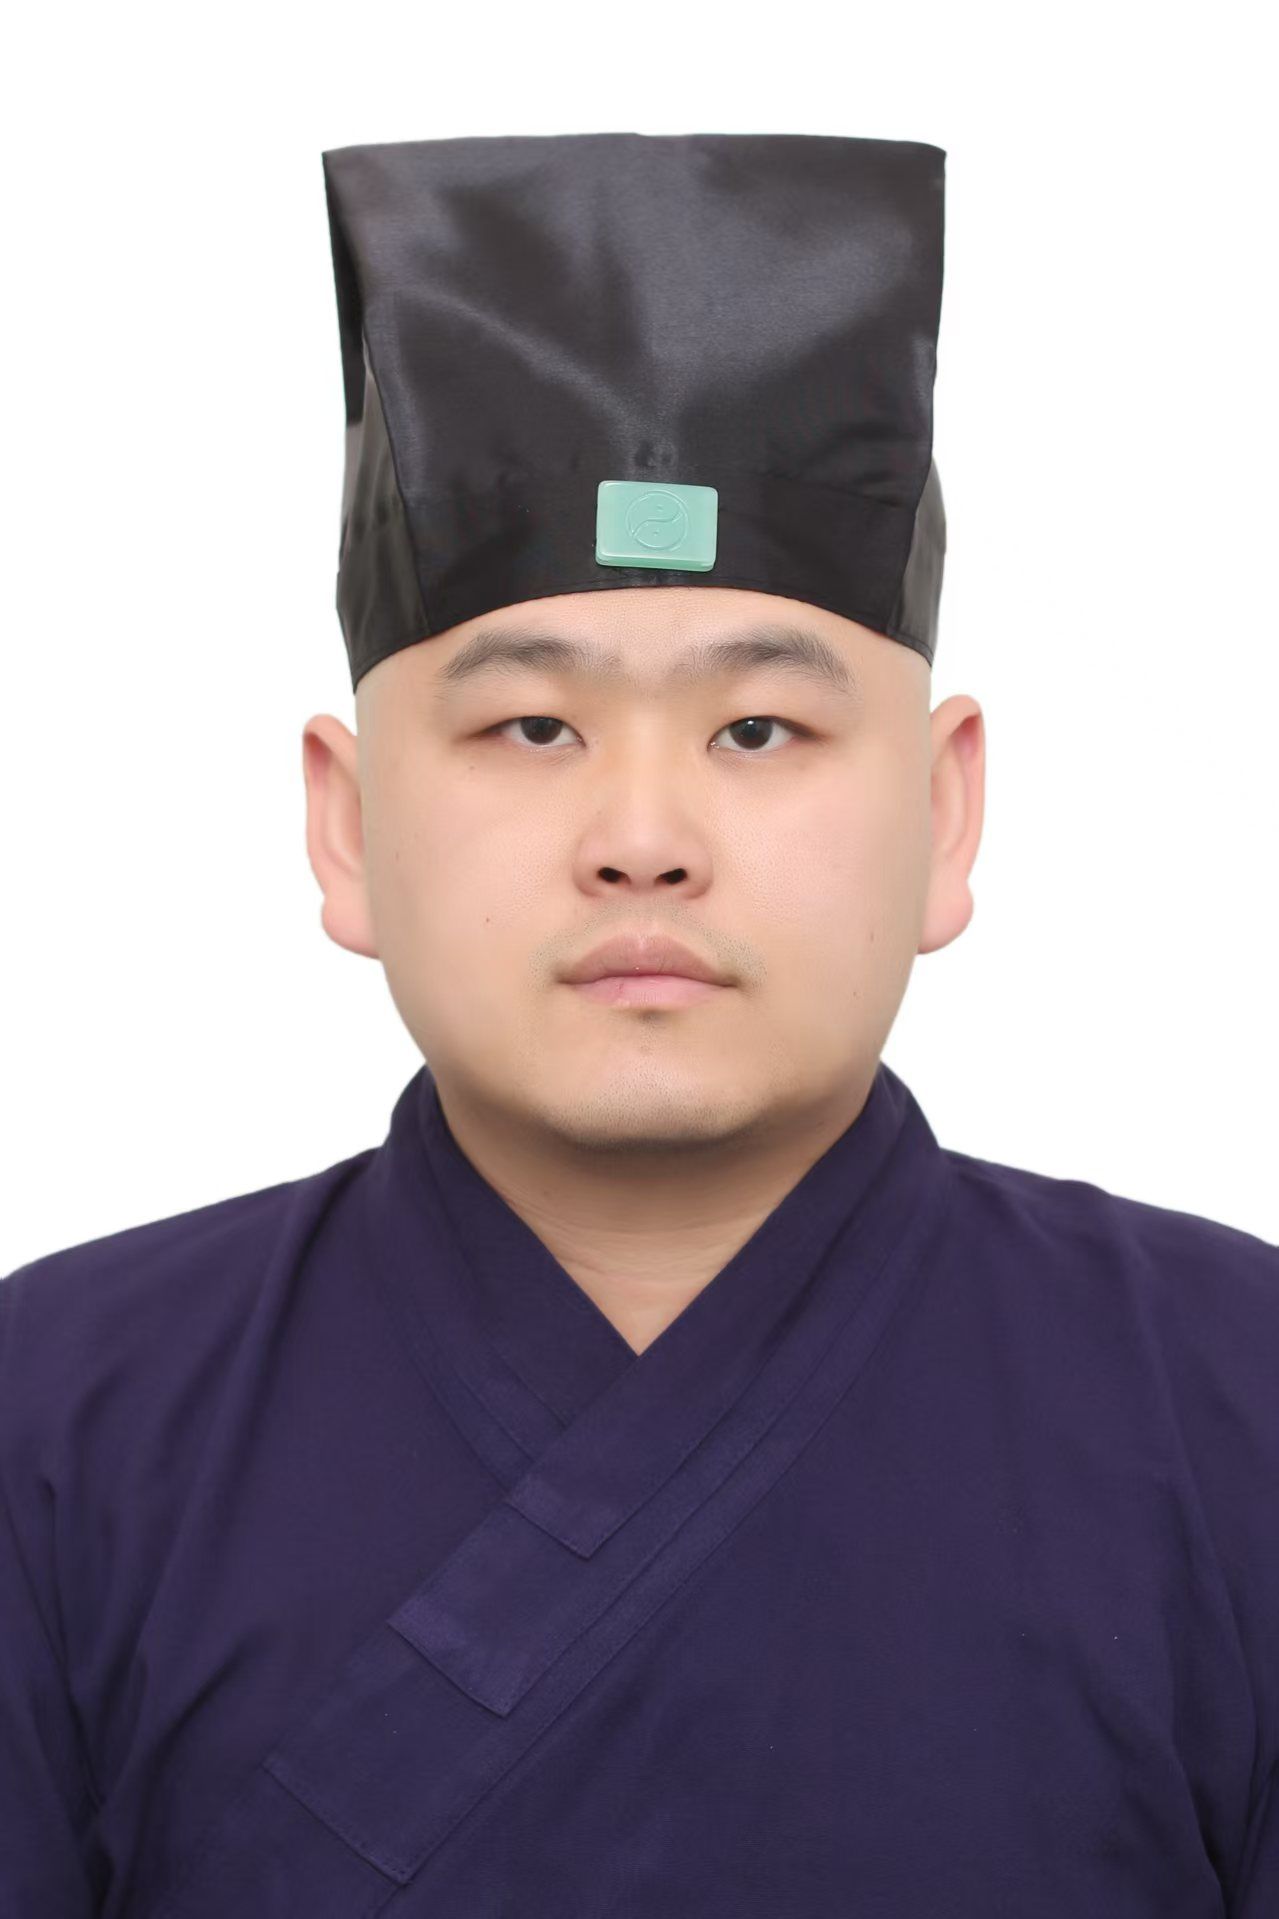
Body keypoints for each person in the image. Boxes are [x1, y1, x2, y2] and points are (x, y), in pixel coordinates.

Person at [1, 131, 1274, 1919]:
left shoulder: (1242, 1400)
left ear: (946, 812)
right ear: (347, 827)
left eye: (759, 731)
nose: (645, 839)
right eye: (532, 729)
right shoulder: (54, 1420)